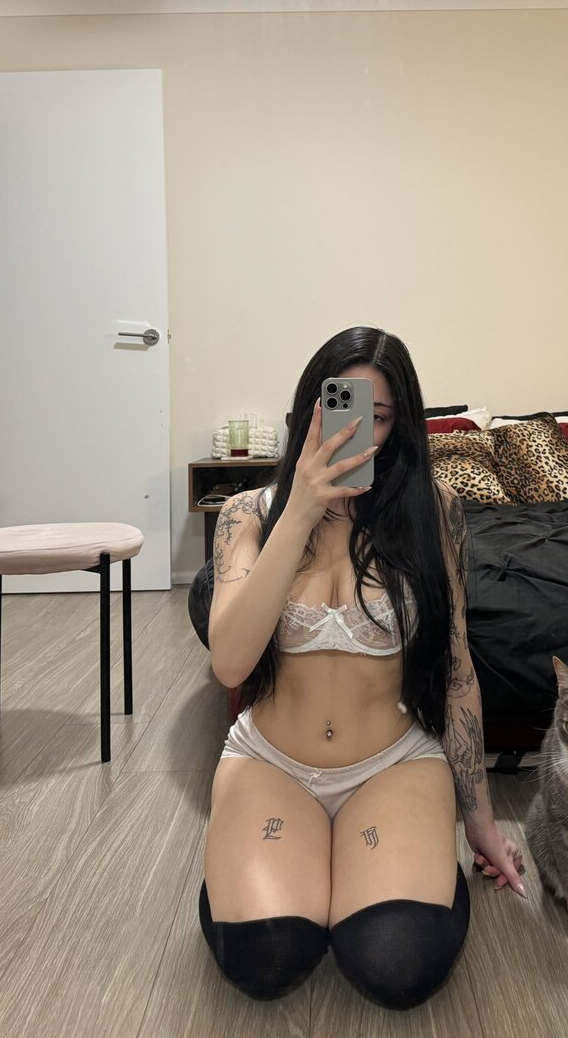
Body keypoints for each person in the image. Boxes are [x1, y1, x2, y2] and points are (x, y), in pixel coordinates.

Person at [200, 327, 525, 1011]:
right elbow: (230, 663)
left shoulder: (433, 513)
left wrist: (481, 823)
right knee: (266, 959)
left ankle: (387, 865)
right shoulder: (244, 516)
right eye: (341, 410)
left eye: (377, 417)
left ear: (400, 426)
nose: (357, 434)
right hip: (271, 764)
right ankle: (289, 866)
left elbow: (457, 671)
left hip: (393, 765)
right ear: (309, 411)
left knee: (395, 961)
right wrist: (301, 511)